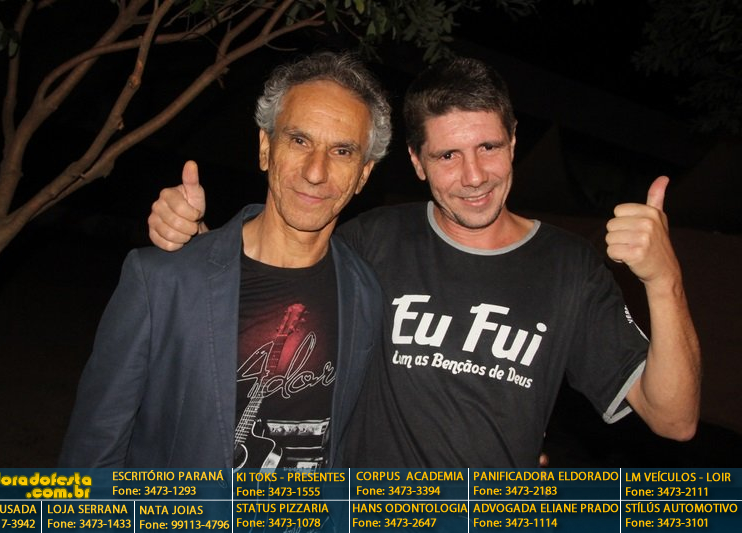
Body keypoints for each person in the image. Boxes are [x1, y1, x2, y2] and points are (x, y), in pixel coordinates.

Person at [147, 57, 701, 467]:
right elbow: (264, 283)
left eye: (488, 148)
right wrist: (197, 240)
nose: (474, 177)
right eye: (447, 155)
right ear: (416, 162)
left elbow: (674, 419)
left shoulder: (569, 267)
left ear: (513, 142)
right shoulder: (373, 240)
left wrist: (663, 279)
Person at [59, 52, 390, 468]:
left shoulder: (365, 293)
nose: (315, 172)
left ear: (363, 174)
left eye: (342, 151)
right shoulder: (164, 280)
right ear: (266, 148)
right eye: (299, 140)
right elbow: (94, 450)